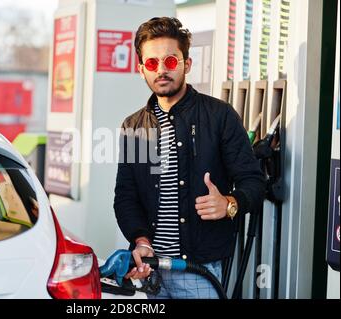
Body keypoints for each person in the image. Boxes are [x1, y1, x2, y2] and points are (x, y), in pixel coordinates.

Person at [113, 17, 266, 299]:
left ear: (187, 64)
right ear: (140, 69)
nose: (161, 70)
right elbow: (126, 195)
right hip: (152, 271)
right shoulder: (134, 127)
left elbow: (254, 182)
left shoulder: (219, 116)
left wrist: (229, 204)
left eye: (171, 61)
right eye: (151, 63)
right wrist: (141, 240)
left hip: (199, 271)